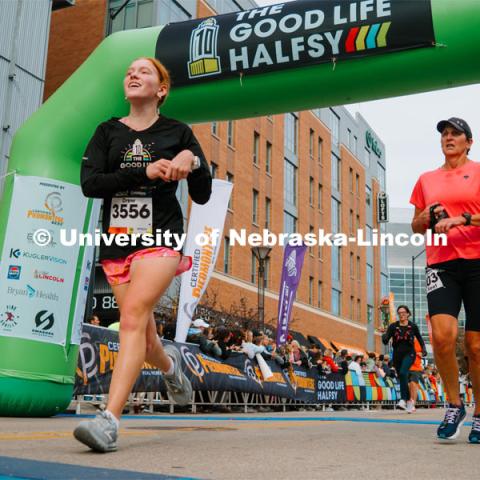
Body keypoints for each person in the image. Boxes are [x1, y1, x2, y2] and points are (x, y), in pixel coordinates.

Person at [74, 57, 212, 452]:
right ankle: (171, 368)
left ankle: (109, 421)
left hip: (161, 237)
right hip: (117, 244)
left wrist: (194, 161)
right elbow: (90, 184)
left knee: (132, 316)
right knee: (146, 337)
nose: (133, 74)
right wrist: (144, 172)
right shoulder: (107, 132)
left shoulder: (178, 132)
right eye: (129, 70)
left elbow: (201, 192)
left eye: (144, 71)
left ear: (161, 89)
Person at [411, 117, 480, 442]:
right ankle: (454, 404)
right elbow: (415, 225)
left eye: (455, 134)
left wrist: (460, 219)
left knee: (476, 345)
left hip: (478, 261)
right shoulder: (426, 179)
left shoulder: (478, 172)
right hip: (440, 263)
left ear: (469, 141)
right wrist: (423, 219)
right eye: (444, 134)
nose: (448, 138)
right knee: (441, 337)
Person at [380, 305, 427, 411]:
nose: (401, 314)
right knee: (402, 376)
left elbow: (419, 338)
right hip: (397, 355)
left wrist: (423, 350)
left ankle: (403, 399)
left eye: (403, 312)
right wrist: (383, 334)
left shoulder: (413, 326)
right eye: (399, 313)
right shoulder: (393, 326)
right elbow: (386, 341)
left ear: (408, 314)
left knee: (402, 372)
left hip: (409, 354)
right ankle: (409, 401)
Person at [407, 338, 424, 414]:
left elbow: (424, 353)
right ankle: (411, 402)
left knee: (413, 384)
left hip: (416, 368)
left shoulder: (420, 342)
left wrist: (419, 353)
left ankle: (412, 404)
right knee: (409, 385)